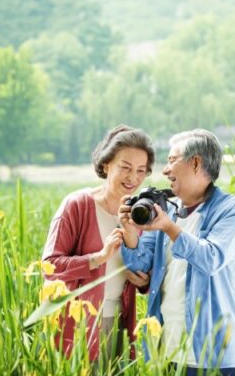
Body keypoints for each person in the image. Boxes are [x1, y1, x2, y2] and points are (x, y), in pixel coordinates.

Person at [119, 129, 235, 376]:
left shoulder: (232, 211)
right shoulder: (166, 211)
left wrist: (169, 228)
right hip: (166, 346)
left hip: (210, 352)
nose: (165, 170)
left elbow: (211, 258)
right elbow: (139, 265)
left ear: (196, 163)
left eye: (171, 160)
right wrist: (131, 232)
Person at [42, 124, 153, 362]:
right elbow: (49, 267)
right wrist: (97, 258)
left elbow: (144, 275)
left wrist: (144, 280)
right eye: (125, 167)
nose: (133, 177)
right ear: (106, 165)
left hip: (122, 323)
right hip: (79, 324)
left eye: (141, 170)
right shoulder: (77, 205)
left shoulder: (140, 213)